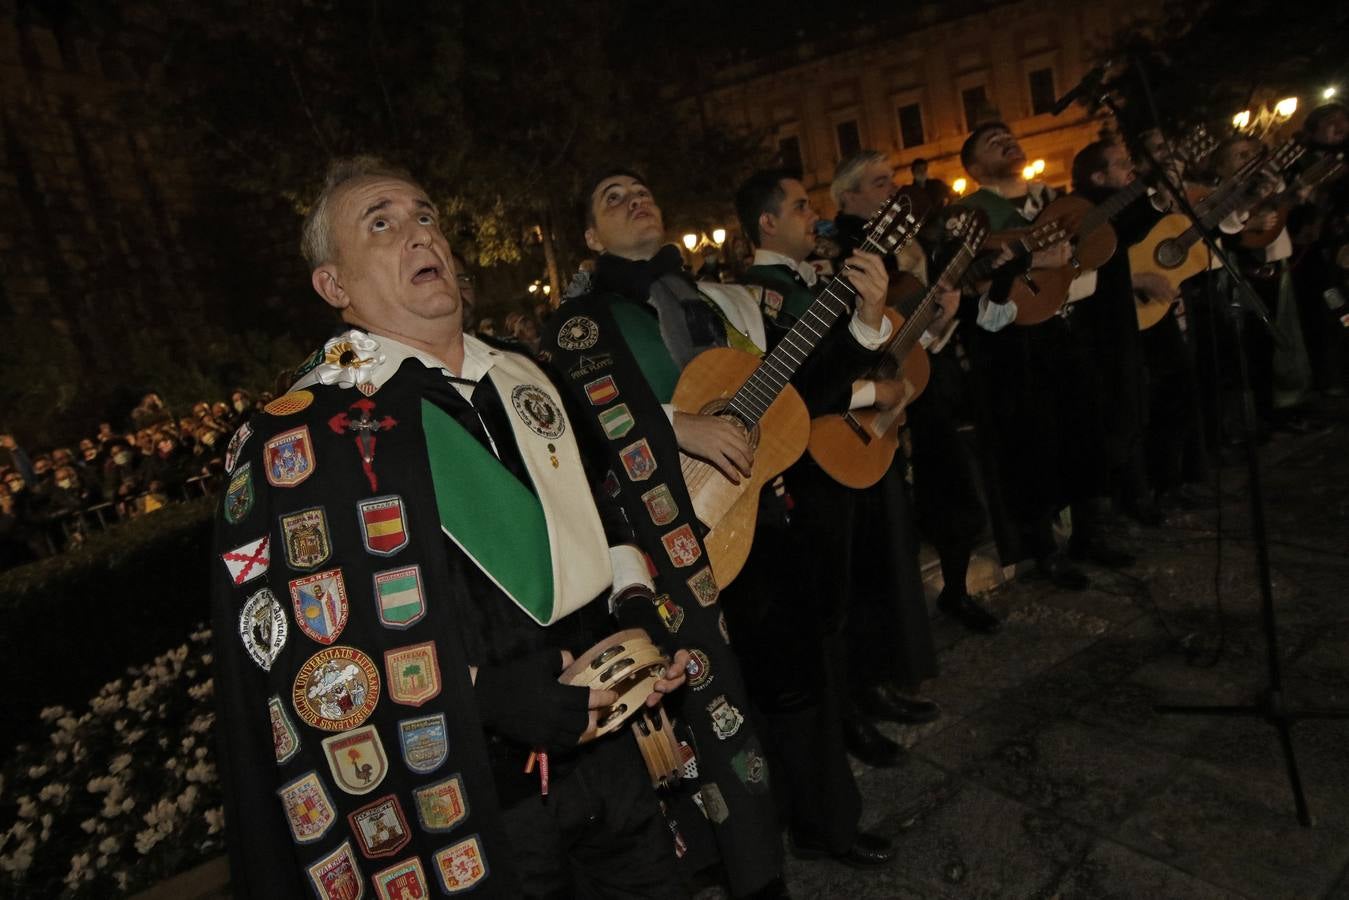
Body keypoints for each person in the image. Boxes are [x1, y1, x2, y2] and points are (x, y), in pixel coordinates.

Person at [211, 156, 692, 899]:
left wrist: (631, 611)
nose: (417, 234)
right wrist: (488, 696)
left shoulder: (527, 374)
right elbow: (313, 655)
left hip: (613, 760)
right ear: (333, 286)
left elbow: (606, 507)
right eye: (382, 223)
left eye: (425, 215)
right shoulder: (302, 439)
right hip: (466, 797)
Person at [544, 165, 896, 885]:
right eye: (612, 198)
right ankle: (739, 857)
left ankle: (827, 823)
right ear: (588, 237)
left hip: (764, 518)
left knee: (801, 685)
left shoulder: (729, 298)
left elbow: (803, 389)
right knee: (712, 707)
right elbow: (581, 420)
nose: (635, 198)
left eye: (641, 189)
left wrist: (864, 318)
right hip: (675, 538)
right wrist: (677, 425)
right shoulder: (582, 324)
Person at [737, 167, 943, 774]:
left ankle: (872, 685)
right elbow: (789, 387)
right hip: (810, 464)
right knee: (828, 598)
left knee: (866, 579)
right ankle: (842, 715)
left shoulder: (819, 280)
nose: (816, 217)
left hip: (853, 451)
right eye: (801, 207)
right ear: (767, 223)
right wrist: (867, 395)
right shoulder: (754, 295)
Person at [953, 122, 1129, 587]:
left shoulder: (1051, 199)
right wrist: (1033, 261)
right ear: (973, 168)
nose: (1007, 141)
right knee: (1031, 442)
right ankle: (1043, 547)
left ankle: (1091, 530)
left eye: (1008, 136)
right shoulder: (969, 214)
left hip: (1065, 328)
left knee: (1084, 429)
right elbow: (968, 277)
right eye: (993, 142)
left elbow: (1085, 256)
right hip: (1012, 341)